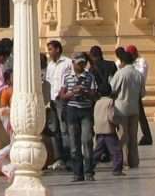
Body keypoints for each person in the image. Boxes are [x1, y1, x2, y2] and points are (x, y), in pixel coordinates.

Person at [57, 51, 100, 182]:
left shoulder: (89, 76)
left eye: (83, 63)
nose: (81, 66)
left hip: (85, 111)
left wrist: (84, 92)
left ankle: (89, 171)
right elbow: (62, 95)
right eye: (79, 64)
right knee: (74, 144)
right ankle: (77, 172)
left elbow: (94, 94)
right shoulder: (67, 77)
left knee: (86, 140)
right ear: (73, 63)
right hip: (72, 111)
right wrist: (72, 93)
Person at [110, 46, 144, 170]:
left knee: (123, 136)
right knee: (133, 136)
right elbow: (142, 93)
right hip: (134, 108)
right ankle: (134, 161)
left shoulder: (120, 73)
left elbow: (112, 89)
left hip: (121, 109)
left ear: (122, 61)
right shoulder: (139, 74)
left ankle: (124, 161)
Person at [46, 40, 73, 169]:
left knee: (64, 129)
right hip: (52, 101)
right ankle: (59, 158)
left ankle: (69, 158)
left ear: (57, 49)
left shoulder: (67, 63)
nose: (49, 52)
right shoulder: (50, 65)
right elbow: (49, 82)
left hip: (63, 100)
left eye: (50, 49)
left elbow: (71, 80)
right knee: (54, 130)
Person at [92, 81, 123, 176]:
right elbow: (111, 116)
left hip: (99, 130)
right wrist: (117, 123)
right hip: (109, 130)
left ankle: (89, 166)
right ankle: (117, 169)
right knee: (116, 151)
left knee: (98, 151)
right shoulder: (110, 102)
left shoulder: (97, 102)